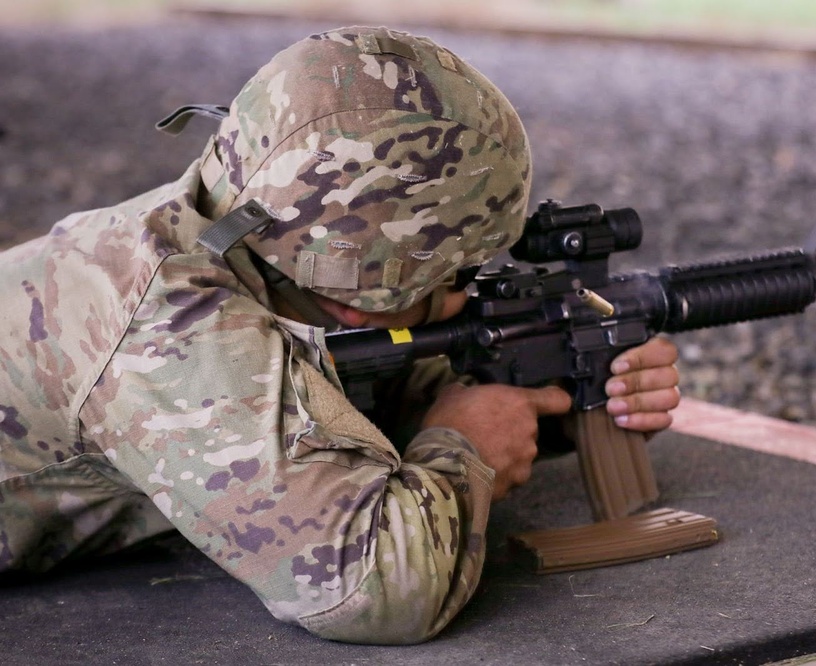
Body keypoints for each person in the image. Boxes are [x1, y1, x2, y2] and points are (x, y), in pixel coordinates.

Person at [0, 27, 681, 643]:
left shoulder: (248, 228)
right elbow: (371, 590)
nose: (465, 293)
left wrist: (561, 396)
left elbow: (336, 382)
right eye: (458, 275)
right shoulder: (172, 331)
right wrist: (465, 447)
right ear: (365, 297)